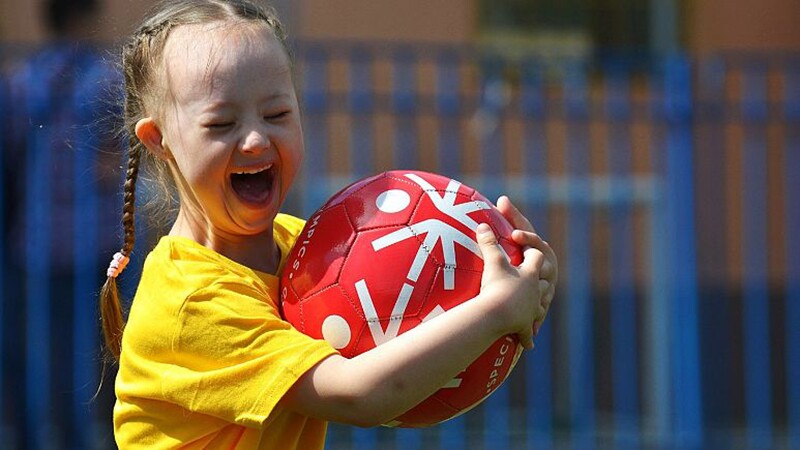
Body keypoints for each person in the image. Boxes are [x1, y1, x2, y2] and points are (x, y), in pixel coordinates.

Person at [99, 0, 558, 448]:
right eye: (221, 124)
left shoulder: (305, 245)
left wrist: (522, 281)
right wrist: (496, 311)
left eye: (277, 114)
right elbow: (358, 395)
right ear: (160, 140)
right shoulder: (190, 301)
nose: (257, 138)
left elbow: (423, 324)